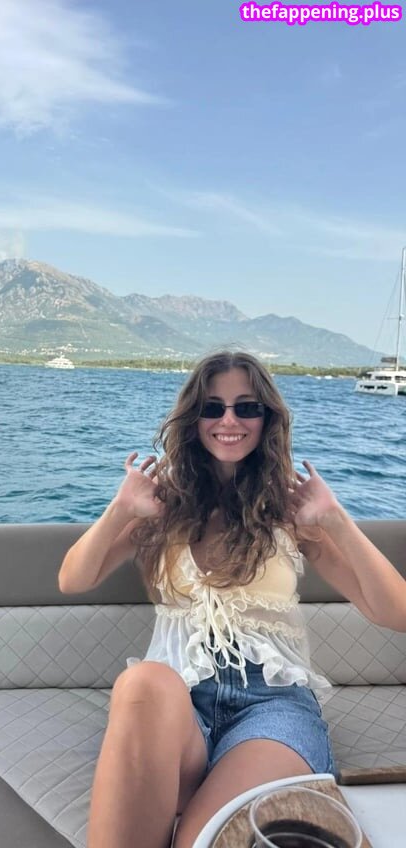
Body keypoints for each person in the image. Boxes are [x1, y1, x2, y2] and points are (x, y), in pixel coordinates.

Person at [58, 350, 406, 848]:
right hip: (177, 709)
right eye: (212, 407)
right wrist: (120, 509)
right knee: (143, 681)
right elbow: (74, 579)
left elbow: (396, 612)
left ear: (267, 419)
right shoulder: (161, 506)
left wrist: (336, 519)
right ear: (193, 417)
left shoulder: (289, 511)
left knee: (207, 840)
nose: (229, 421)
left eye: (246, 407)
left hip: (271, 707)